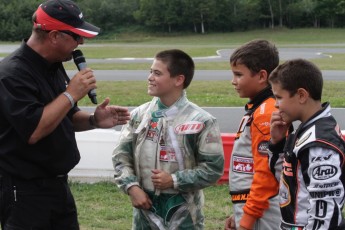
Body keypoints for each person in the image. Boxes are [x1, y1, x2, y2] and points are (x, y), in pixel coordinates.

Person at [0, 0, 130, 229]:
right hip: (24, 192)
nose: (80, 42)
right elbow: (34, 130)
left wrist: (93, 120)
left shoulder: (53, 65)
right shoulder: (12, 74)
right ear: (54, 36)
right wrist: (71, 93)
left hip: (58, 186)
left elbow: (65, 115)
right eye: (76, 36)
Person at [112, 49, 224, 229]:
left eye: (157, 73)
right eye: (150, 71)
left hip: (184, 215)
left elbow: (213, 169)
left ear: (178, 80)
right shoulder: (138, 116)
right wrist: (132, 187)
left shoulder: (202, 121)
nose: (150, 77)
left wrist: (174, 180)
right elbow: (120, 157)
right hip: (144, 214)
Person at [268, 58, 345, 230]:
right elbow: (287, 183)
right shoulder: (304, 130)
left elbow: (326, 213)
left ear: (302, 95)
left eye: (279, 97)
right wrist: (277, 144)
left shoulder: (318, 143)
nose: (275, 104)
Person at [225, 39, 281, 230]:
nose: (233, 81)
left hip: (263, 211)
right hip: (253, 206)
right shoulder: (257, 108)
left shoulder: (266, 112)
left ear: (262, 76)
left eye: (238, 75)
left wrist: (248, 216)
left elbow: (266, 173)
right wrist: (239, 211)